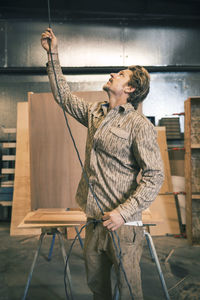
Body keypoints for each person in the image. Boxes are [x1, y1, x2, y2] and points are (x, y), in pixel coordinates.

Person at [41, 28, 164, 300]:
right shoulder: (95, 113)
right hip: (94, 222)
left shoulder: (138, 125)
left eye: (120, 75)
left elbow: (155, 176)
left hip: (123, 226)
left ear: (130, 89)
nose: (112, 74)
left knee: (129, 291)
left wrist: (123, 213)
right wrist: (53, 56)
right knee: (98, 290)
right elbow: (62, 96)